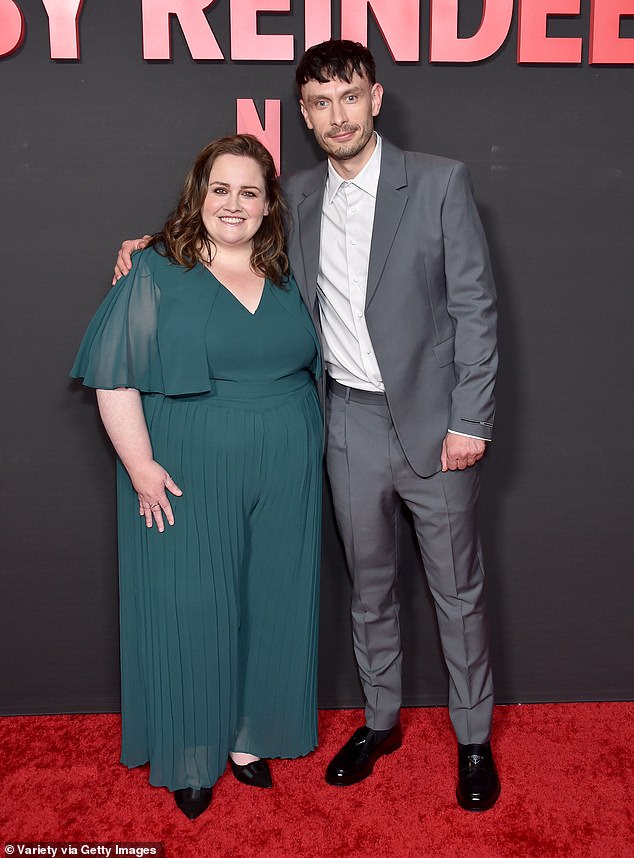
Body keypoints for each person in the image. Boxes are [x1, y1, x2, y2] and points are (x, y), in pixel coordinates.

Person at [114, 39, 501, 812]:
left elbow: (475, 310)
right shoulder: (295, 197)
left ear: (376, 99)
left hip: (434, 428)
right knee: (370, 590)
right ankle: (381, 722)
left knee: (456, 591)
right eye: (320, 103)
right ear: (304, 114)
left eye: (349, 97)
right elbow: (224, 234)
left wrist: (472, 420)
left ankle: (473, 740)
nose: (337, 115)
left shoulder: (438, 182)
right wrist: (149, 246)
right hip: (344, 423)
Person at [71, 134, 323, 820]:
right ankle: (190, 750)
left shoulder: (290, 271)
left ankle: (250, 737)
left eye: (249, 191)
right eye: (220, 189)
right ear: (198, 196)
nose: (234, 204)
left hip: (288, 466)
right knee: (193, 606)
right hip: (185, 466)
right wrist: (140, 466)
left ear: (270, 204)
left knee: (270, 600)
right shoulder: (155, 270)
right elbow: (114, 374)